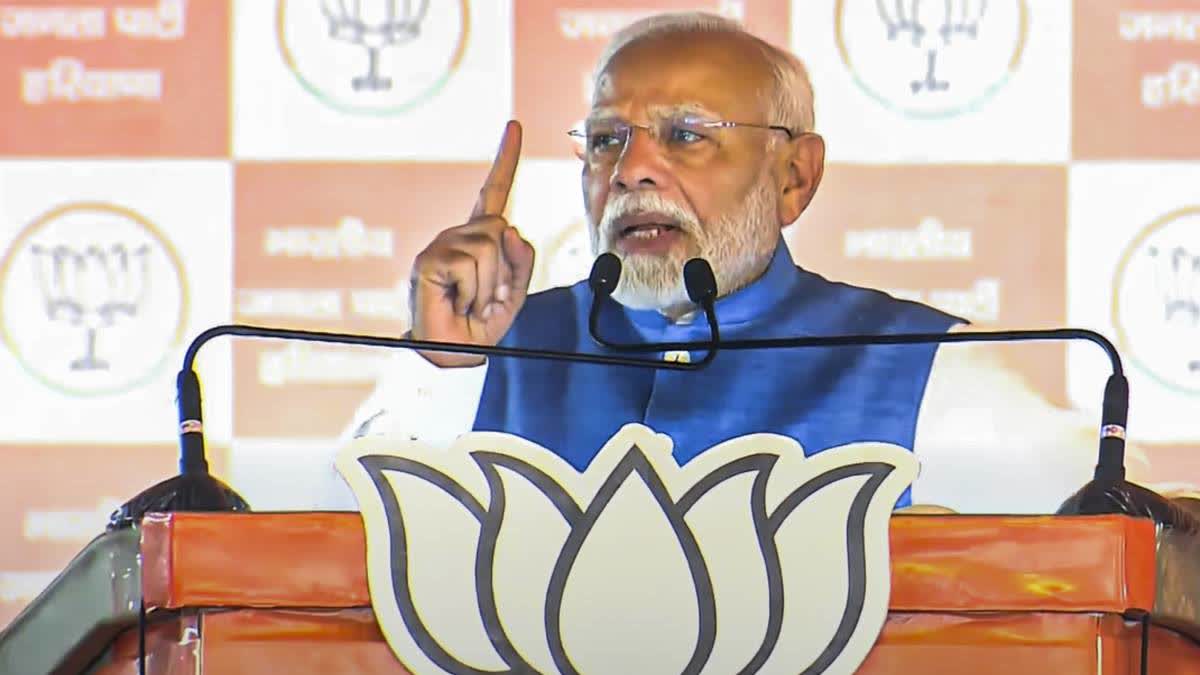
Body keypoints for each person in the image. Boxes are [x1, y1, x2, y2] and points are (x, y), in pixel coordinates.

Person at [313, 12, 1109, 513]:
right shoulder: (490, 360)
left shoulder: (916, 364)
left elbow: (1124, 529)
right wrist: (439, 363)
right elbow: (312, 564)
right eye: (605, 140)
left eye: (686, 134)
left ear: (794, 177)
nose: (630, 171)